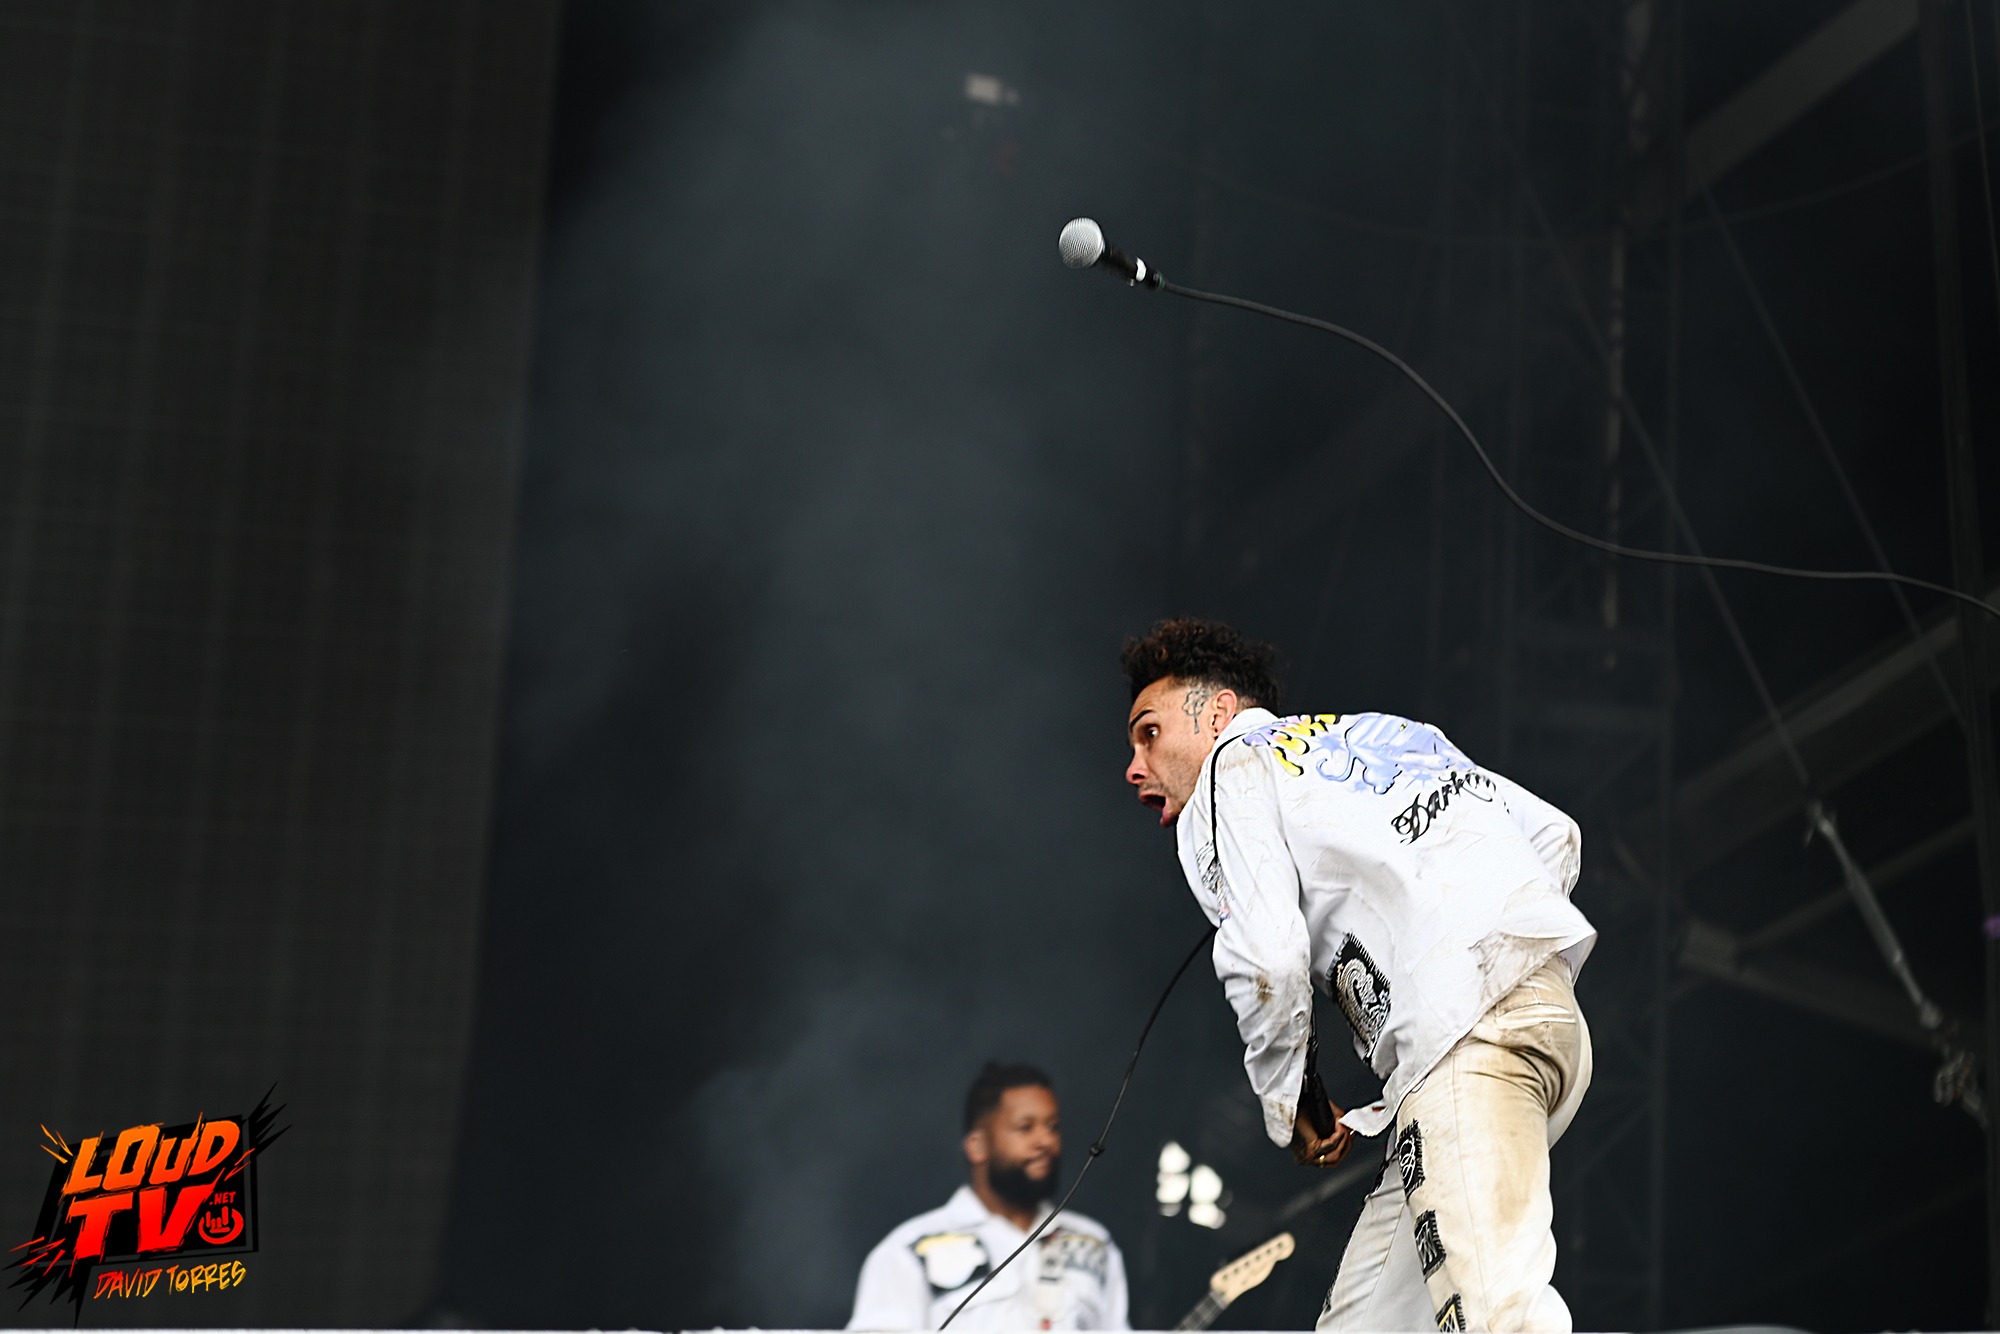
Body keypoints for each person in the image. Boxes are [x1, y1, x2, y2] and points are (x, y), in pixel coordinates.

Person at [1119, 617, 1595, 1334]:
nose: (1133, 765)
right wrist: (1515, 969)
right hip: (1546, 1028)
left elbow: (1268, 959)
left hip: (1465, 1047)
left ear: (1217, 713)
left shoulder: (1231, 765)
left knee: (1503, 1320)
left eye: (1148, 733)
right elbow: (1555, 834)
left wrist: (1295, 1104)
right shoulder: (1392, 733)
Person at [847, 1062, 1129, 1332]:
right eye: (1025, 1128)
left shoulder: (1094, 1242)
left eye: (1052, 1127)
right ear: (978, 1147)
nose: (1045, 1141)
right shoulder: (908, 1249)